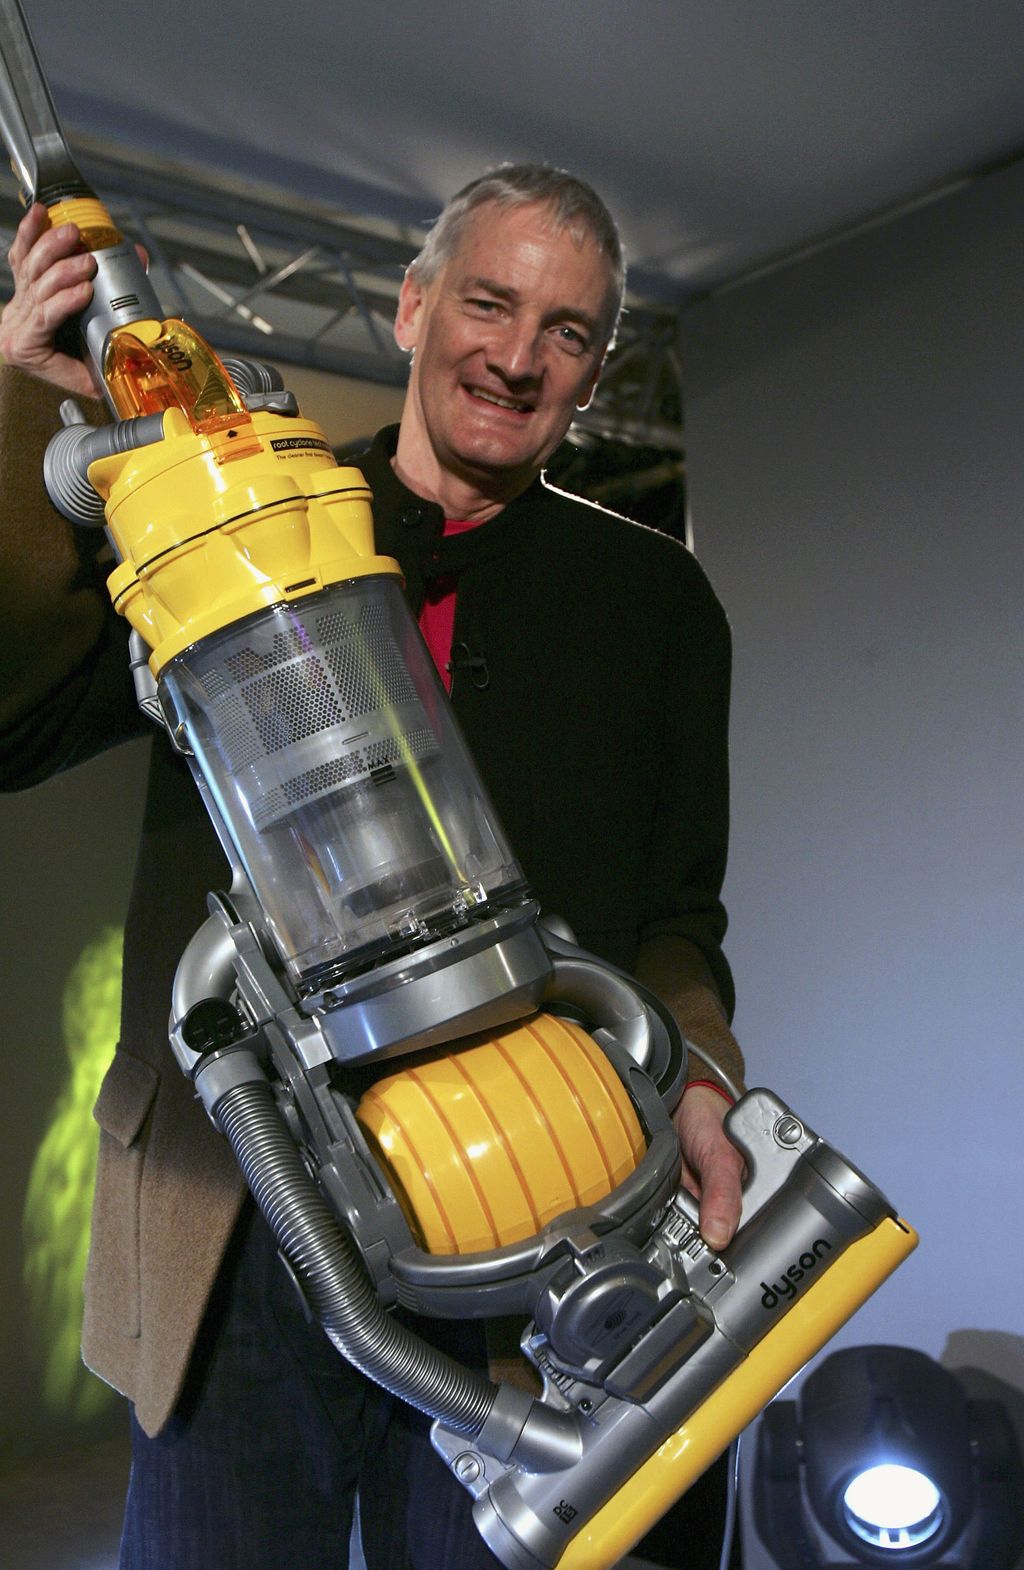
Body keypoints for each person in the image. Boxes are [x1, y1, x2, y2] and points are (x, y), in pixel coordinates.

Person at [0, 164, 746, 1568]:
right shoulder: (217, 521)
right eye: (487, 301)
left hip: (529, 1210)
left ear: (595, 370)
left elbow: (676, 917)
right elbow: (9, 724)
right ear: (409, 310)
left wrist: (695, 1067)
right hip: (244, 1215)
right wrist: (11, 407)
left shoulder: (656, 605)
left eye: (569, 332)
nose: (519, 357)